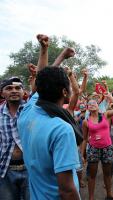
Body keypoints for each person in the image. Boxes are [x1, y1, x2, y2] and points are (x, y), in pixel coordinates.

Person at [18, 33, 81, 200]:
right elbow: (66, 190)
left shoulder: (28, 110)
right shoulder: (61, 129)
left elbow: (43, 80)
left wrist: (54, 54)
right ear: (64, 92)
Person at [81, 93, 113, 200]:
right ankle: (91, 198)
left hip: (107, 148)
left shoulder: (105, 115)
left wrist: (110, 97)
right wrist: (82, 155)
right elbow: (85, 139)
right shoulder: (86, 122)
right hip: (94, 149)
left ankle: (109, 194)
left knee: (107, 173)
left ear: (98, 105)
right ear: (87, 108)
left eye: (94, 102)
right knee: (92, 175)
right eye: (89, 104)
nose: (92, 104)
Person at [0, 77, 30, 200]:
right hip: (5, 171)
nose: (14, 91)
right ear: (2, 93)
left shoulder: (32, 110)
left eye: (18, 88)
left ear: (23, 92)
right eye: (9, 88)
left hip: (30, 169)